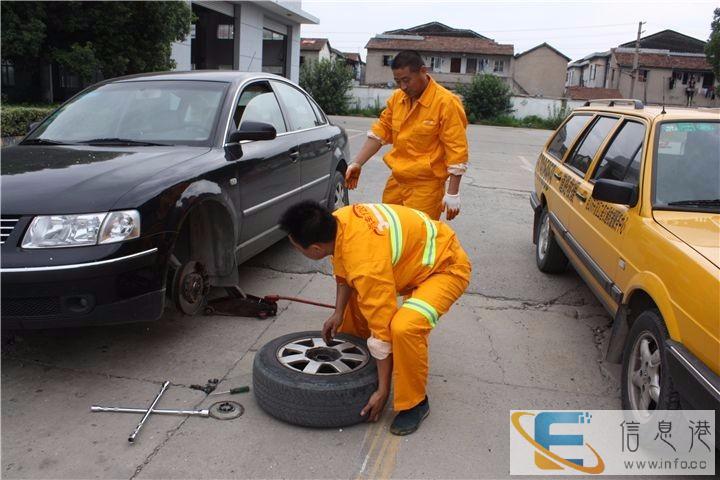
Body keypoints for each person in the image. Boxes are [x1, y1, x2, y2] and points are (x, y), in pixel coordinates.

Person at [280, 200, 471, 435]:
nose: (297, 251)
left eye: (298, 248)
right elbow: (344, 272)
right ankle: (366, 367)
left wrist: (383, 390)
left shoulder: (366, 265)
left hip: (445, 268)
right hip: (414, 261)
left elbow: (382, 329)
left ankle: (416, 403)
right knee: (355, 305)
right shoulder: (340, 221)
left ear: (316, 249)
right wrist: (338, 312)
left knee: (404, 328)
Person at [345, 50, 469, 221]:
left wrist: (453, 193)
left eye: (406, 80)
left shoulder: (446, 103)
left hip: (426, 187)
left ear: (423, 71)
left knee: (419, 233)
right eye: (398, 81)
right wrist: (357, 163)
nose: (403, 86)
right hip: (397, 181)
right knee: (391, 228)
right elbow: (381, 131)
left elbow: (456, 149)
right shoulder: (398, 99)